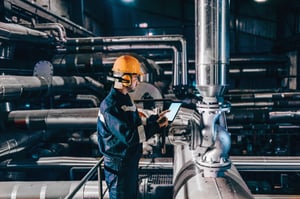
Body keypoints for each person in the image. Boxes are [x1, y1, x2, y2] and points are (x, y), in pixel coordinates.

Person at [97, 55, 169, 199]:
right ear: (126, 78)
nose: (138, 81)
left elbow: (135, 124)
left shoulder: (124, 99)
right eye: (136, 77)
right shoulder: (112, 107)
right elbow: (131, 136)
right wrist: (156, 127)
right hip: (119, 166)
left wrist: (155, 119)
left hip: (128, 162)